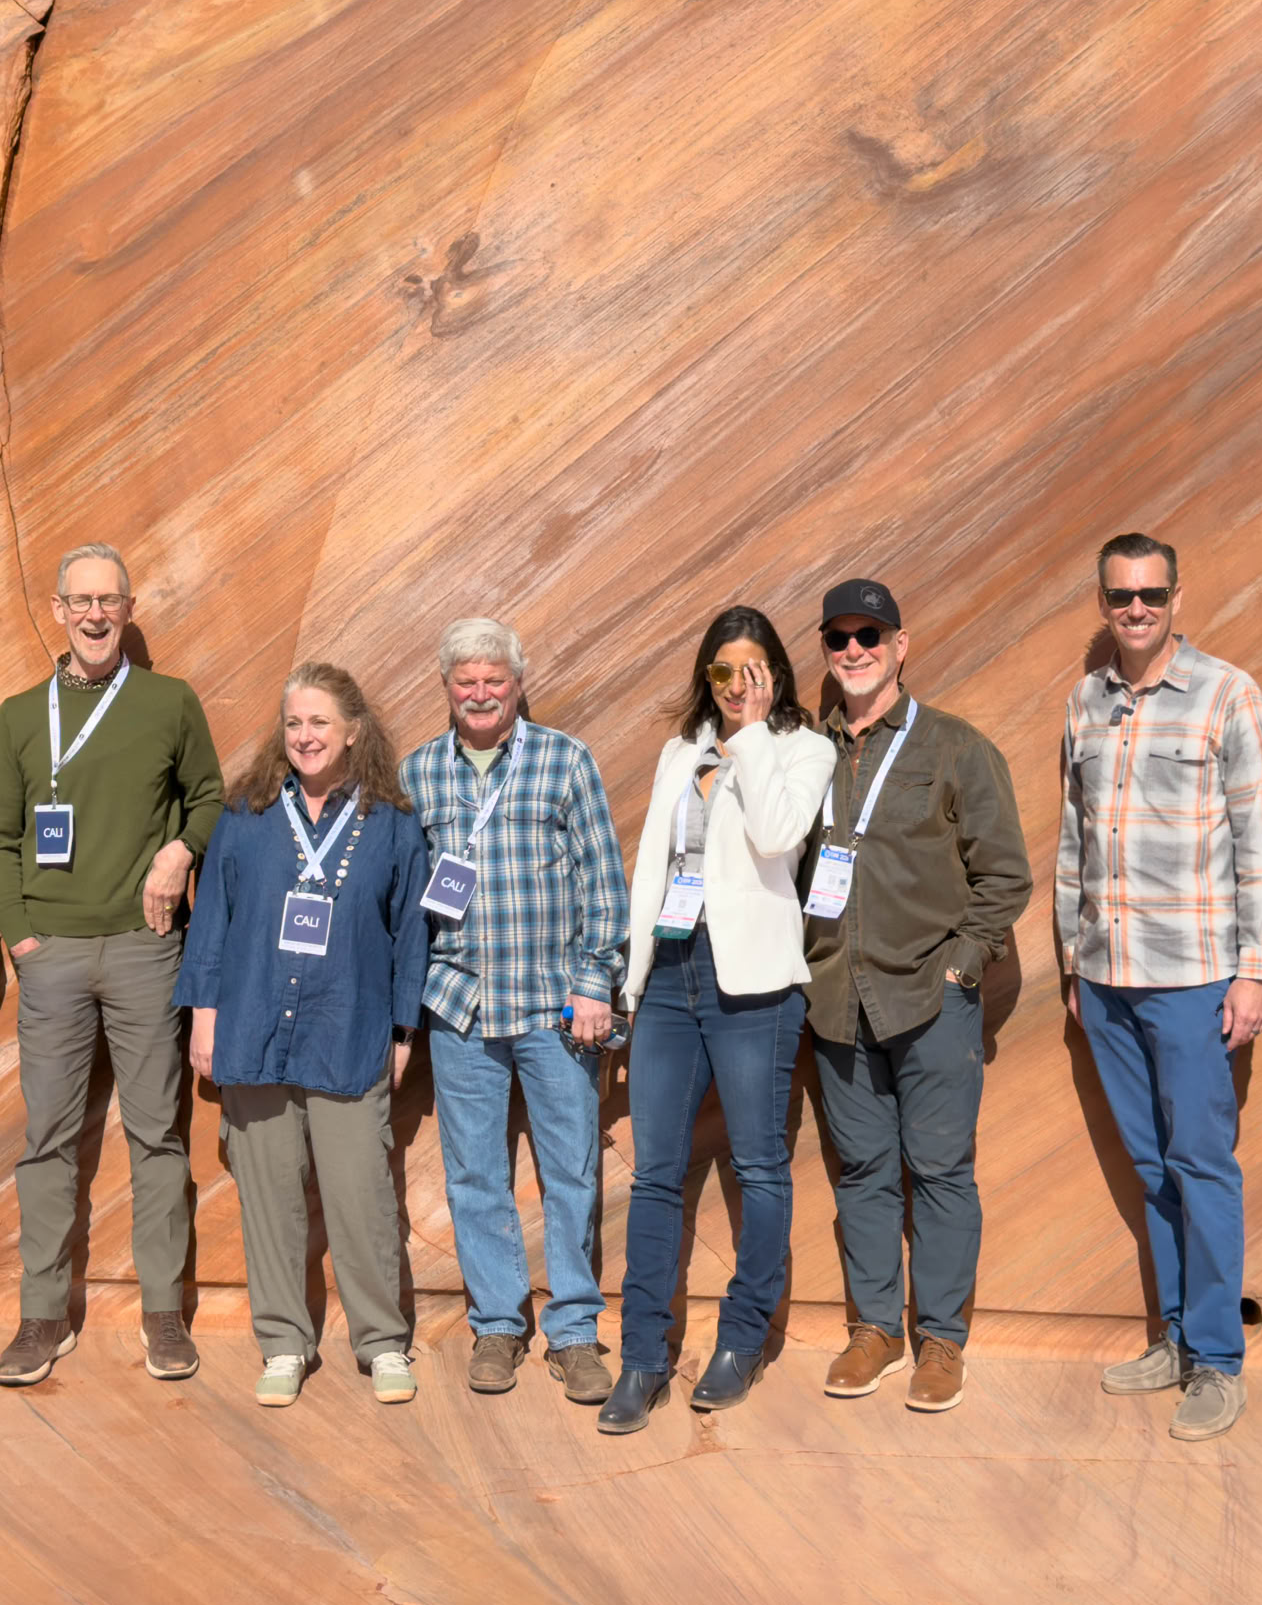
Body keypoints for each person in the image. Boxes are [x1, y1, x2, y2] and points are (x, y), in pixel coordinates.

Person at [0, 544, 225, 1386]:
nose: (93, 615)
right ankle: (42, 1317)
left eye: (108, 601)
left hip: (147, 949)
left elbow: (210, 797)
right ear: (57, 609)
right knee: (47, 1141)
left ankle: (164, 1313)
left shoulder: (168, 700)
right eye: (79, 601)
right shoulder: (19, 715)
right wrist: (19, 939)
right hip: (51, 955)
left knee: (157, 1136)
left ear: (126, 609)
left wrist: (180, 854)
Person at [1056, 530, 1262, 1442]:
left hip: (1194, 976)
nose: (1136, 609)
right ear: (1103, 602)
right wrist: (1075, 962)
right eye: (1120, 597)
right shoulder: (1083, 702)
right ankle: (1178, 1337)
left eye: (1151, 594)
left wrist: (1256, 972)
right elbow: (1072, 842)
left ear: (1176, 597)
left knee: (1201, 1164)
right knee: (1151, 1168)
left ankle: (1218, 1361)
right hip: (1107, 975)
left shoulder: (1229, 694)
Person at [601, 607, 835, 1434]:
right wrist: (632, 979)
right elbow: (651, 871)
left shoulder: (804, 748)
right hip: (670, 975)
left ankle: (742, 1340)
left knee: (760, 1167)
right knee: (655, 1173)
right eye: (722, 671)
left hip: (754, 987)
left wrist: (755, 732)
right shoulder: (677, 753)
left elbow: (777, 838)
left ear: (774, 673)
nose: (737, 683)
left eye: (753, 668)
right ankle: (640, 1358)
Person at [801, 580, 1032, 1415]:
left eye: (871, 635)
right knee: (862, 1171)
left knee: (939, 1170)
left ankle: (940, 1339)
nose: (855, 650)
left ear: (903, 645)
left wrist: (962, 966)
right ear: (826, 652)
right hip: (834, 999)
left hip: (930, 1000)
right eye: (839, 638)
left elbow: (1003, 872)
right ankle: (874, 1331)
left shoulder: (953, 747)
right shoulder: (805, 753)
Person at [177, 664, 429, 1409]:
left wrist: (404, 1030)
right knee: (270, 1198)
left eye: (319, 722)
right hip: (252, 1032)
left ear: (354, 730)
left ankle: (382, 1342)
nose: (305, 736)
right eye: (293, 723)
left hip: (349, 1031)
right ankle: (284, 1341)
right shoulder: (248, 813)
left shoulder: (391, 823)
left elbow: (412, 932)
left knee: (361, 1197)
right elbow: (213, 918)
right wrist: (204, 1016)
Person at [400, 618, 628, 1404]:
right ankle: (497, 1325)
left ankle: (573, 1332)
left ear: (518, 683)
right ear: (445, 688)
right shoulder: (420, 772)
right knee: (474, 1175)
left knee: (571, 1171)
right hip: (459, 1005)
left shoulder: (564, 761)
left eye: (494, 678)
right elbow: (406, 903)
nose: (481, 693)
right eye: (465, 680)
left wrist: (596, 982)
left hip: (553, 1006)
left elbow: (604, 880)